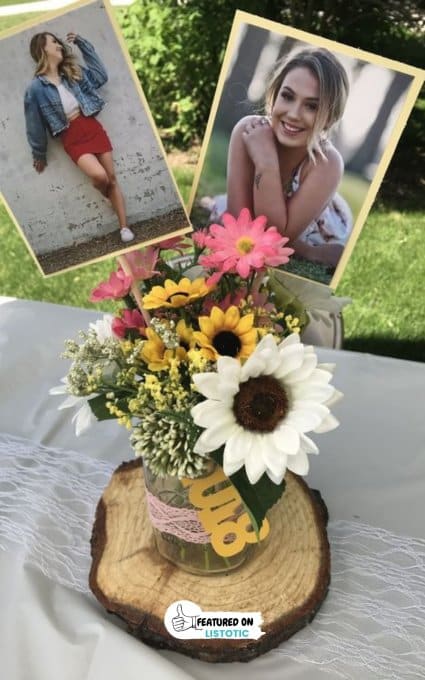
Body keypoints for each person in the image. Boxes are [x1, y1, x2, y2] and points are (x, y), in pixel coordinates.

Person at [225, 47, 352, 268]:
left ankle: (313, 251)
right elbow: (238, 230)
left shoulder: (327, 162)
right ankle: (311, 253)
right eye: (287, 96)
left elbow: (275, 238)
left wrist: (266, 161)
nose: (293, 114)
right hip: (276, 226)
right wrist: (305, 251)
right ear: (274, 95)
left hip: (315, 226)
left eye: (312, 106)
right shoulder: (248, 131)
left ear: (330, 118)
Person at [24, 31, 135, 243]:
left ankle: (124, 228)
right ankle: (108, 196)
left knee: (111, 178)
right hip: (71, 136)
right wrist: (39, 152)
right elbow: (34, 124)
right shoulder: (36, 89)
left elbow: (101, 77)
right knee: (100, 178)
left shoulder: (71, 73)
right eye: (53, 42)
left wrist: (84, 45)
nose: (59, 45)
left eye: (58, 42)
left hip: (91, 127)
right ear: (42, 49)